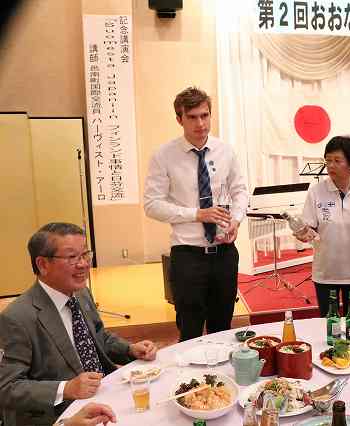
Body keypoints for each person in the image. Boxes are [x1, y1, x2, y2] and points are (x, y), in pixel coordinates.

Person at [0, 223, 157, 426]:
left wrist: (130, 349)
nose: (83, 264)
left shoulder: (81, 293)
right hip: (63, 414)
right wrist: (65, 389)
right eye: (72, 257)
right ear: (43, 264)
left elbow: (98, 336)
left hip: (106, 394)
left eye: (85, 254)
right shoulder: (17, 318)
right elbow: (7, 387)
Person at [144, 86, 248, 341]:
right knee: (190, 330)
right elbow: (152, 204)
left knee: (222, 329)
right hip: (188, 255)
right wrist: (196, 214)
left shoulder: (226, 151)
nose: (200, 123)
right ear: (179, 119)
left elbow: (240, 191)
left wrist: (235, 220)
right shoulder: (163, 156)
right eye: (192, 117)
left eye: (204, 115)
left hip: (224, 253)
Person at [293, 136, 350, 316]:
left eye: (337, 161)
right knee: (328, 324)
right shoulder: (316, 191)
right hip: (325, 273)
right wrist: (303, 234)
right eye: (328, 160)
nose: (330, 166)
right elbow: (309, 228)